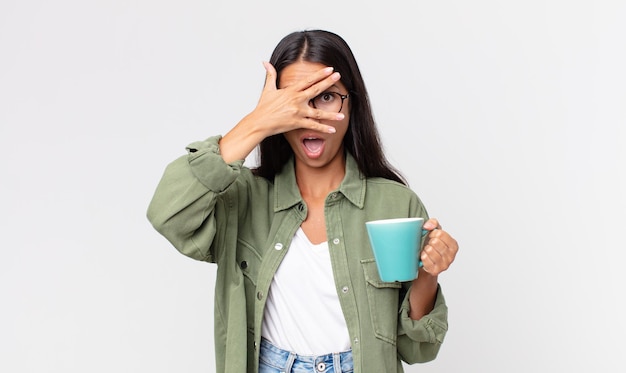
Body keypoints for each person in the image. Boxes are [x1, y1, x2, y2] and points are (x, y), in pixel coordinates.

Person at [147, 29, 459, 373]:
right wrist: (257, 123)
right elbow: (168, 212)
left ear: (351, 103)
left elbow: (416, 350)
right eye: (294, 99)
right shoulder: (242, 198)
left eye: (326, 97)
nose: (310, 115)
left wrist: (428, 275)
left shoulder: (397, 205)